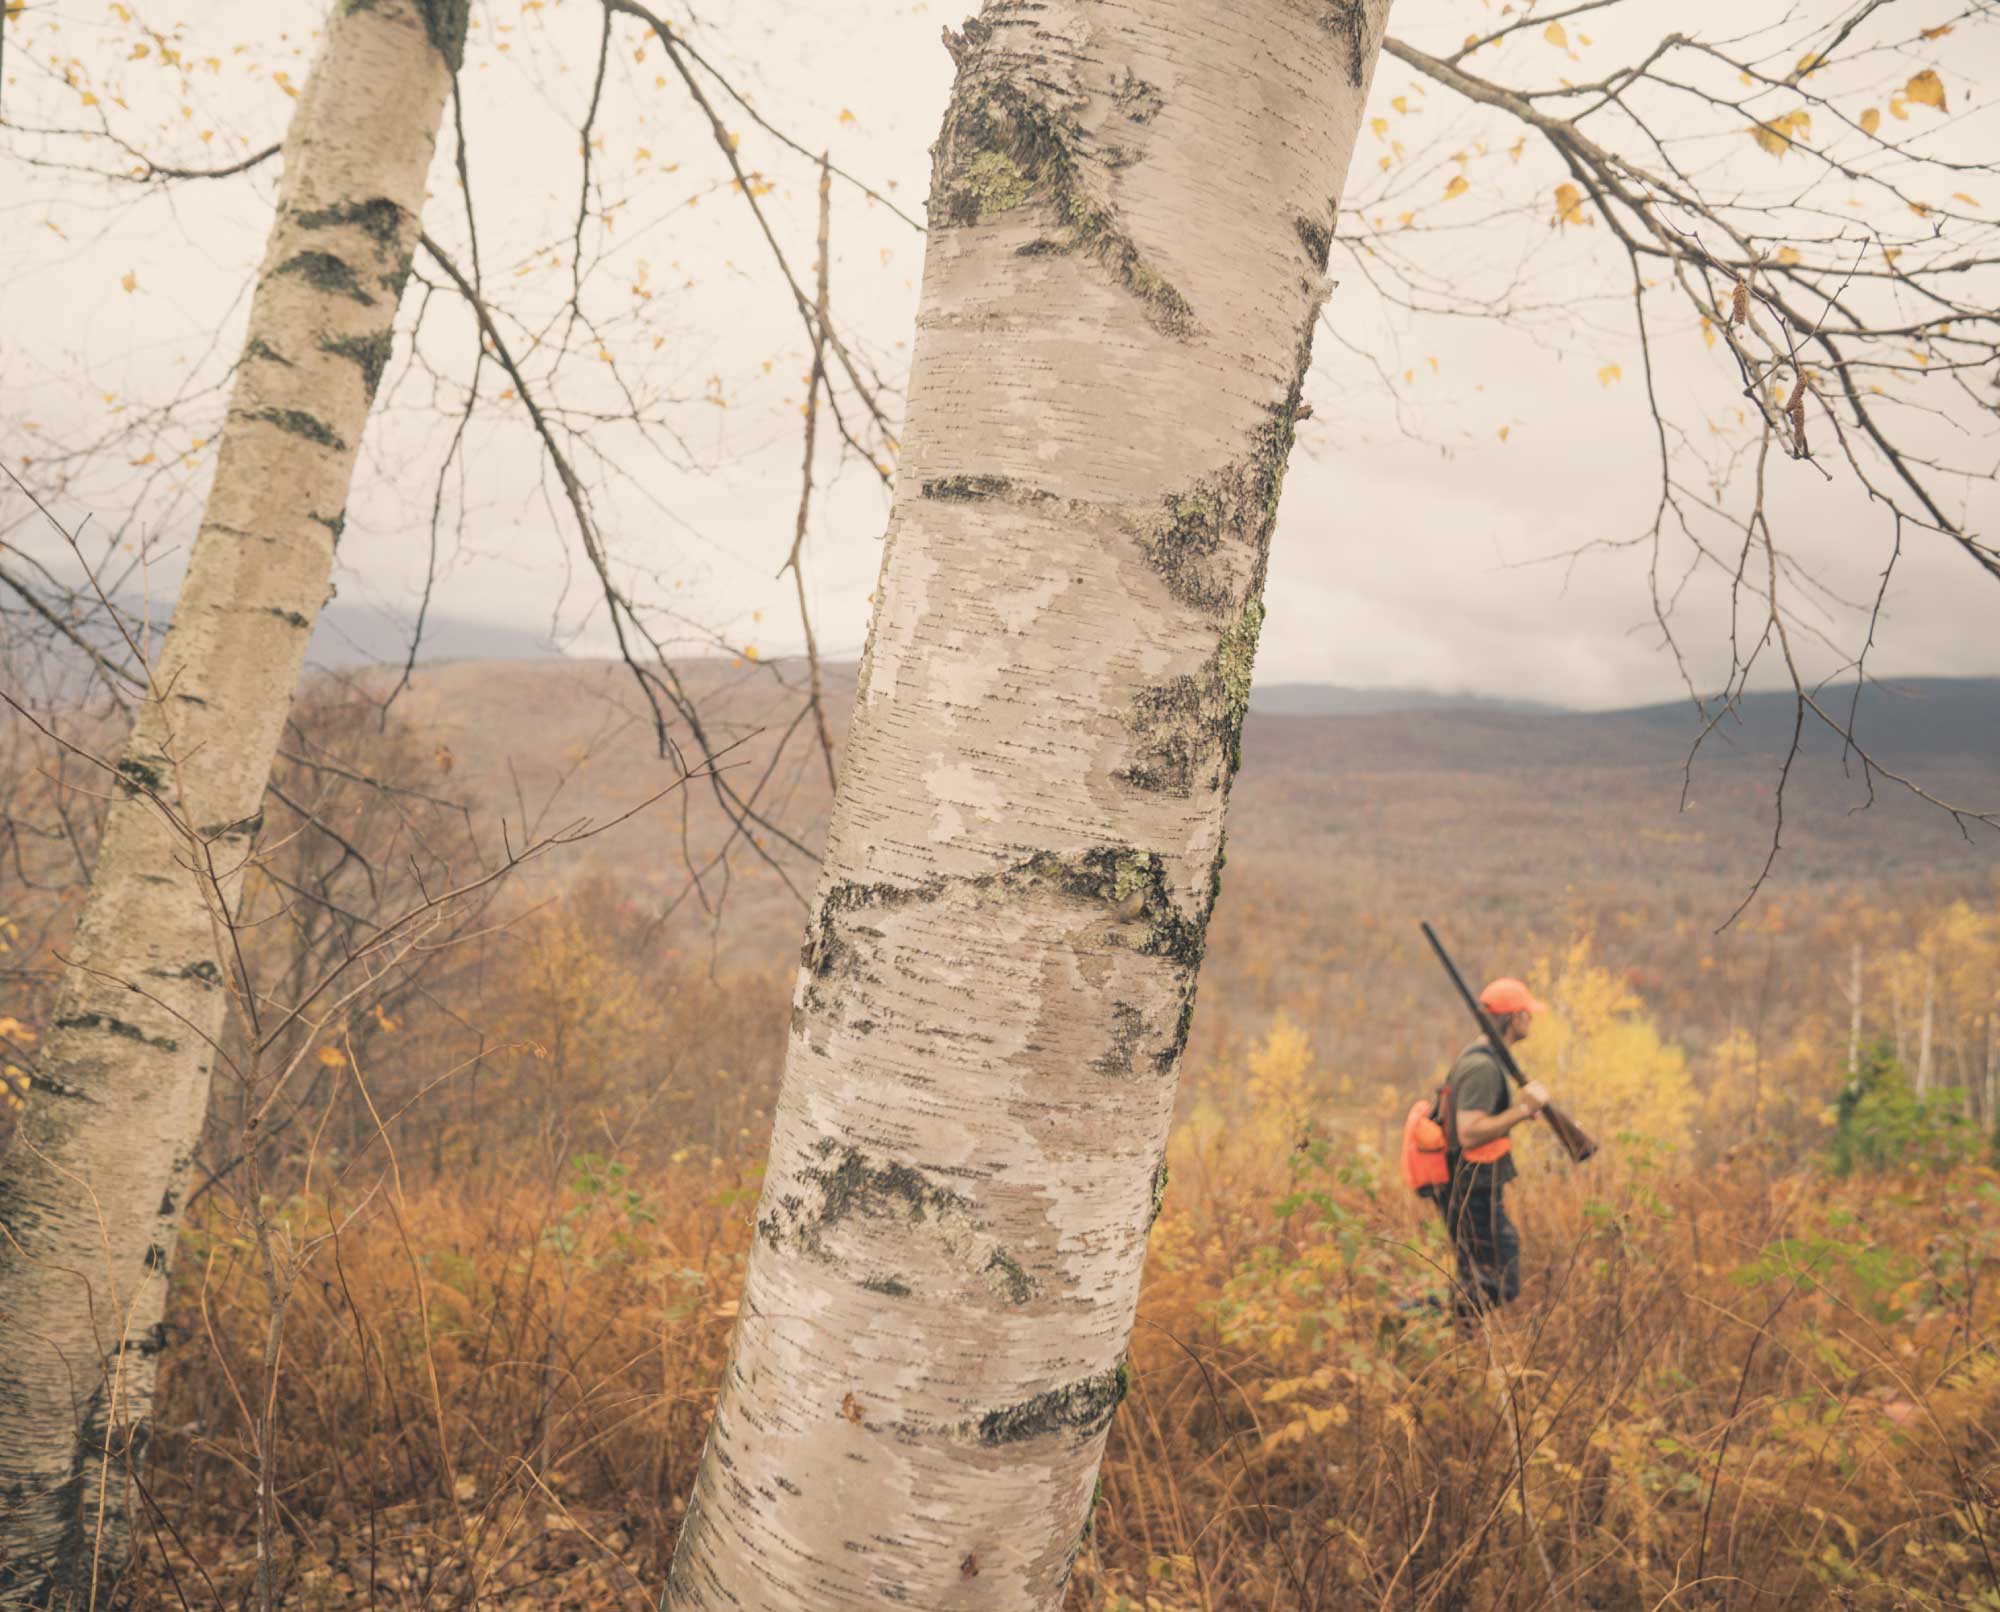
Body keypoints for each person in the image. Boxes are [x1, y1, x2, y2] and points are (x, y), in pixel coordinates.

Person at [1434, 977, 1550, 1323]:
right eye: (1527, 1013)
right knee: (1499, 1279)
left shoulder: (1487, 1060)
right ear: (1514, 1019)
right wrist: (1522, 1110)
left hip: (1474, 1188)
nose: (1531, 1019)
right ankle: (1414, 1319)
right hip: (1471, 1192)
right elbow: (1470, 1133)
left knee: (1477, 1280)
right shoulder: (1483, 1067)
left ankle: (1454, 1348)